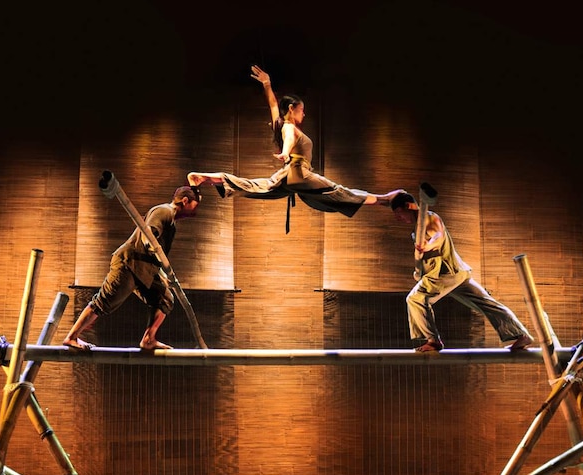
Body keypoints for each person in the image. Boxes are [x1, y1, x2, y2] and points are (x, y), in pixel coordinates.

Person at [187, 65, 402, 231]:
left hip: (287, 177)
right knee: (338, 192)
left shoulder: (281, 123)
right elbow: (288, 137)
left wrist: (267, 84)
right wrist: (286, 152)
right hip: (298, 173)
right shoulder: (289, 127)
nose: (304, 114)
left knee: (255, 186)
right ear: (292, 109)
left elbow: (273, 105)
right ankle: (386, 199)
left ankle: (204, 177)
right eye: (302, 110)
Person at [390, 191, 534, 353]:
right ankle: (520, 335)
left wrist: (427, 246)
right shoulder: (416, 230)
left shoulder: (429, 218)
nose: (398, 218)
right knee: (486, 303)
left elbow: (438, 235)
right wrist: (420, 271)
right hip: (456, 274)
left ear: (409, 206)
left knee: (415, 299)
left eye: (399, 213)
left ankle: (433, 340)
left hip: (445, 274)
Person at [62, 185, 202, 350]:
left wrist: (161, 273)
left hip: (145, 269)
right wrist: (153, 253)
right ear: (185, 201)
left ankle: (149, 339)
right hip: (130, 263)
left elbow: (157, 252)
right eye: (195, 205)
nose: (195, 211)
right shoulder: (164, 211)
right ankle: (71, 337)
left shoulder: (171, 222)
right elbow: (148, 235)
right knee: (104, 301)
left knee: (165, 298)